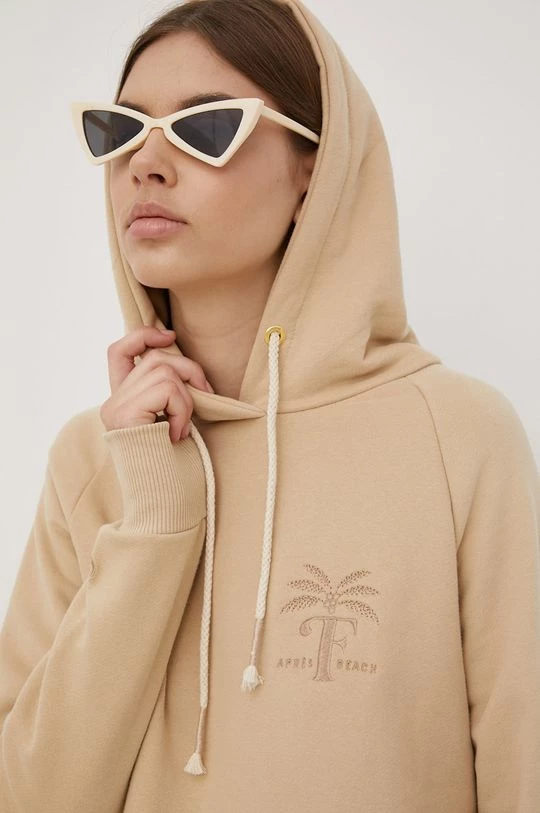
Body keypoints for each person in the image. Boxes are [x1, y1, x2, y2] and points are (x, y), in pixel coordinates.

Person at [0, 0, 538, 810]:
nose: (146, 163)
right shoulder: (95, 456)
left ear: (315, 168)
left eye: (206, 128)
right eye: (121, 130)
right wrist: (154, 520)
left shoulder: (458, 437)